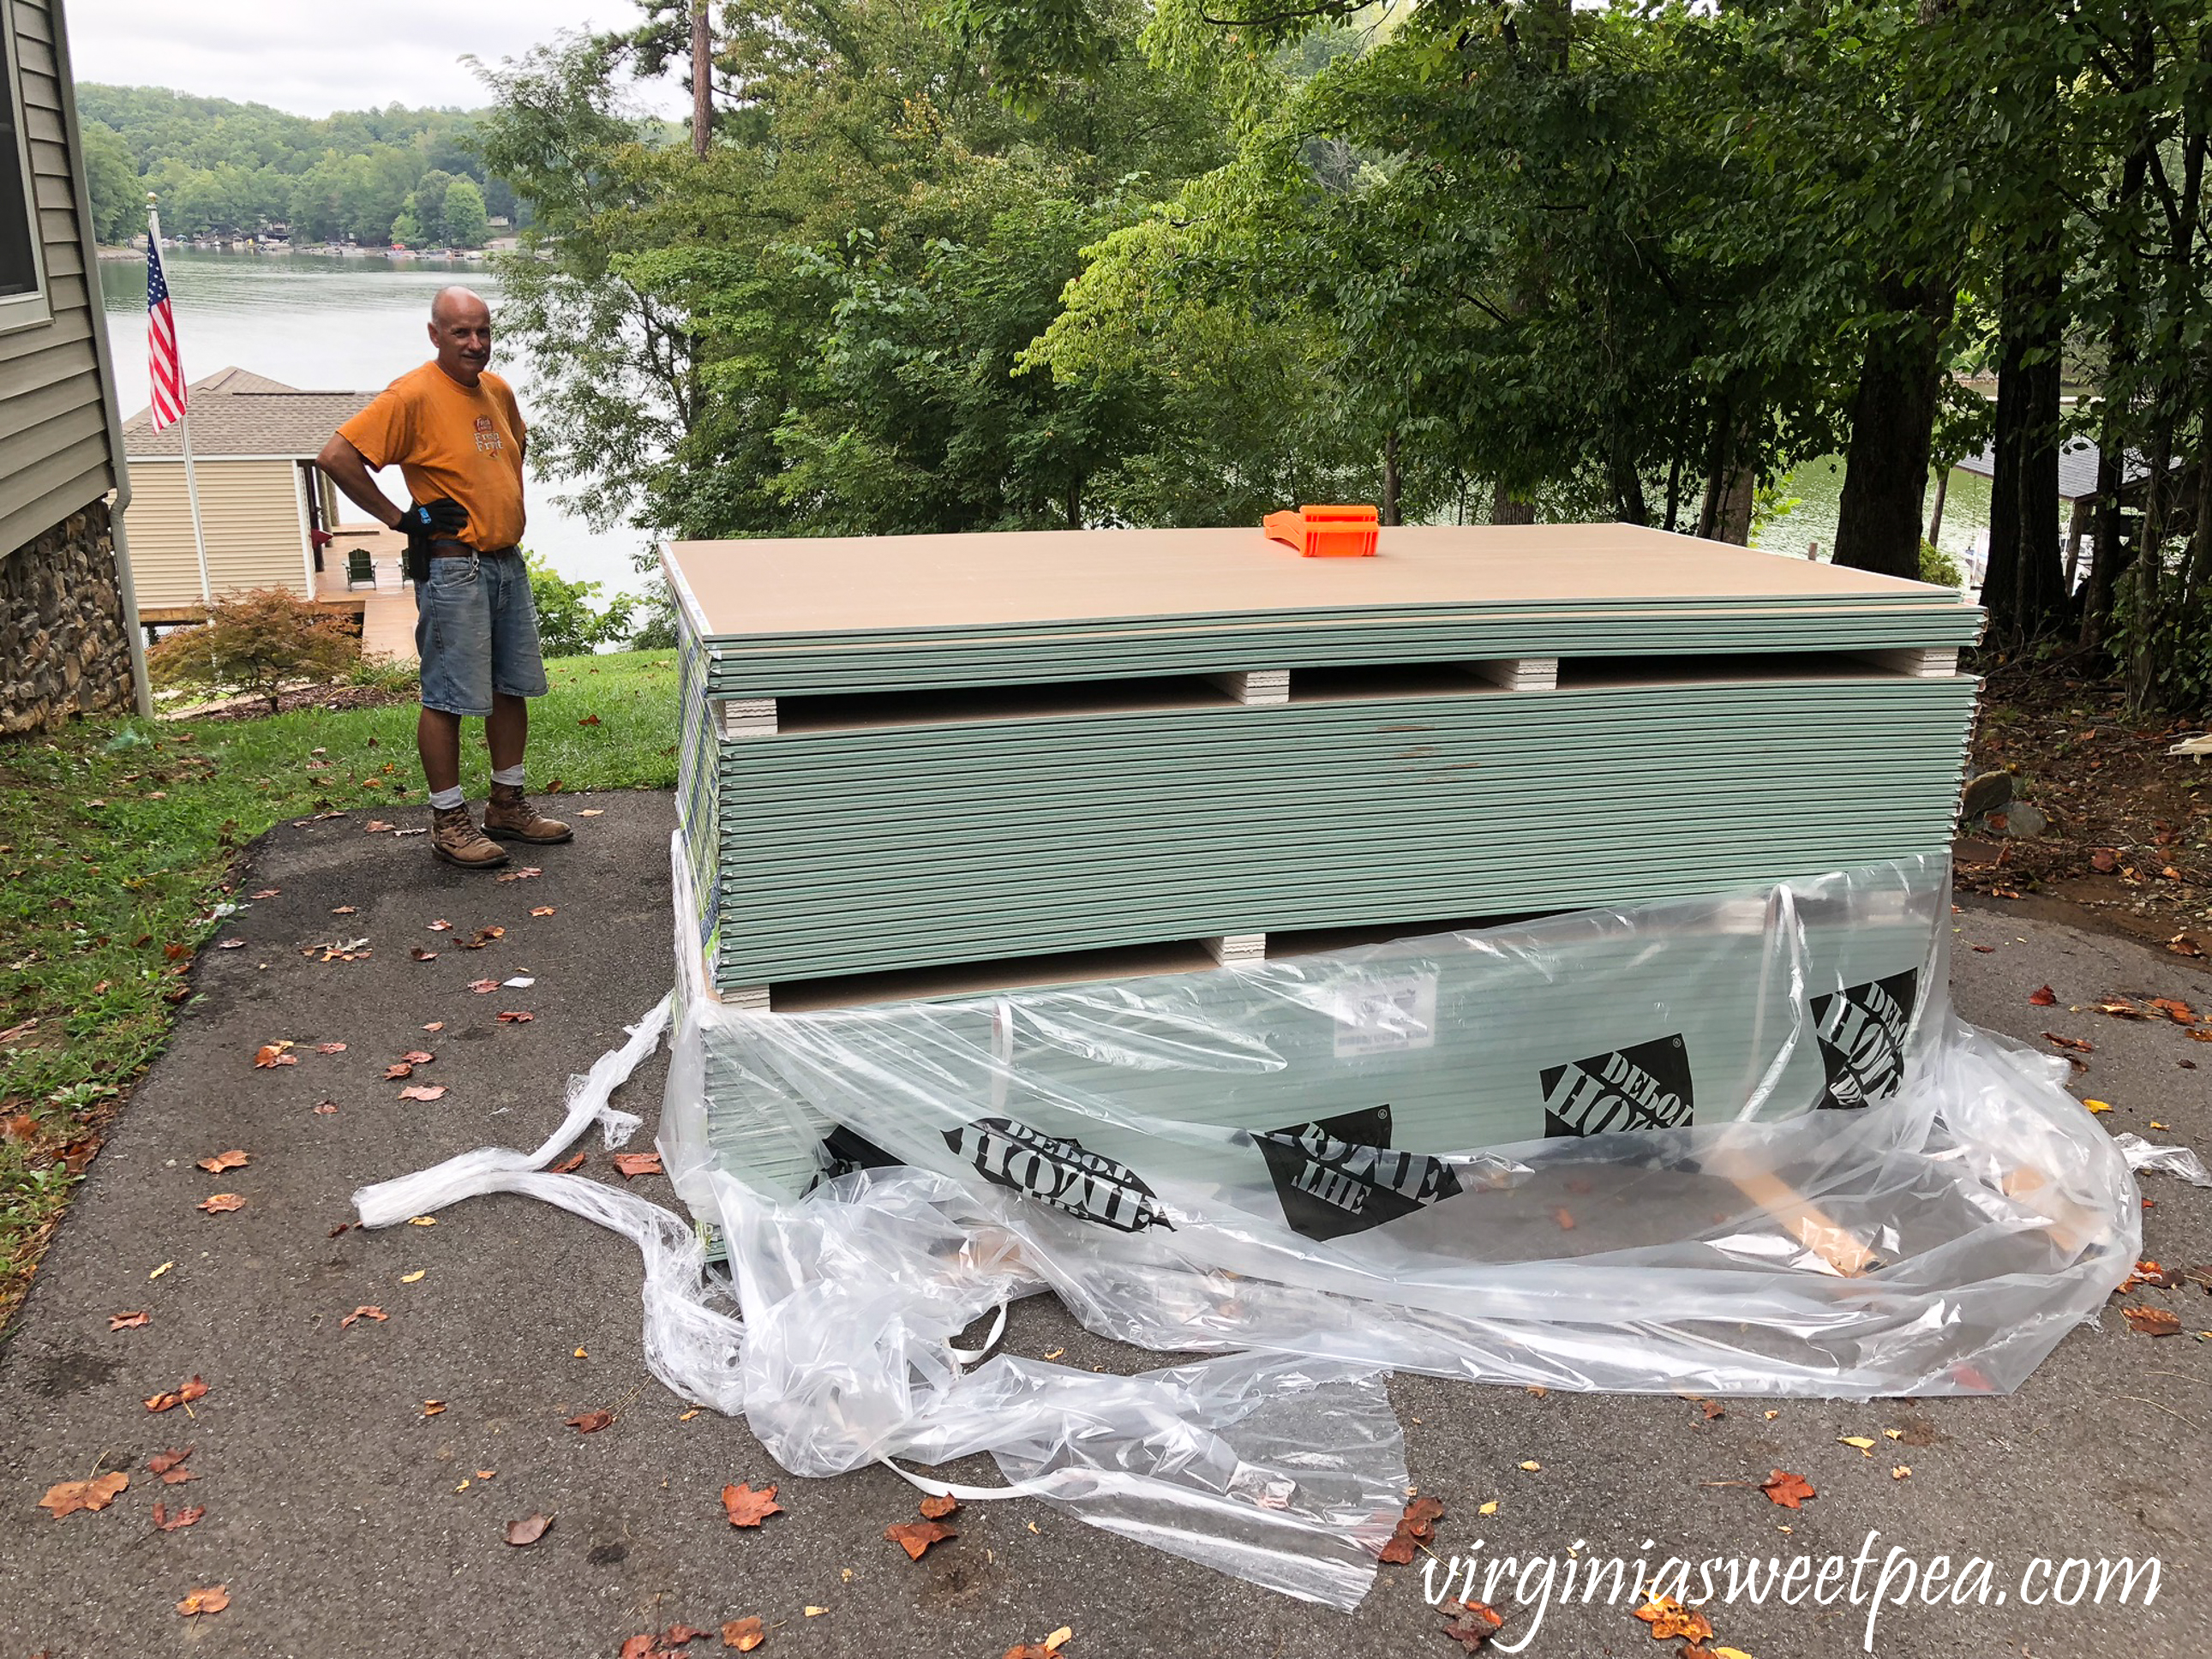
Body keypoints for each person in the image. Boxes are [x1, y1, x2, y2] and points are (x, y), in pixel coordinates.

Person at [315, 286, 571, 870]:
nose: (475, 344)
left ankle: (507, 805)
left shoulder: (498, 392)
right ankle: (448, 820)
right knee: (449, 697)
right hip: (455, 568)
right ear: (435, 334)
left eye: (483, 331)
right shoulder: (411, 395)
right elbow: (335, 456)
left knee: (512, 688)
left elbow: (509, 454)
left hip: (505, 562)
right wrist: (402, 519)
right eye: (461, 333)